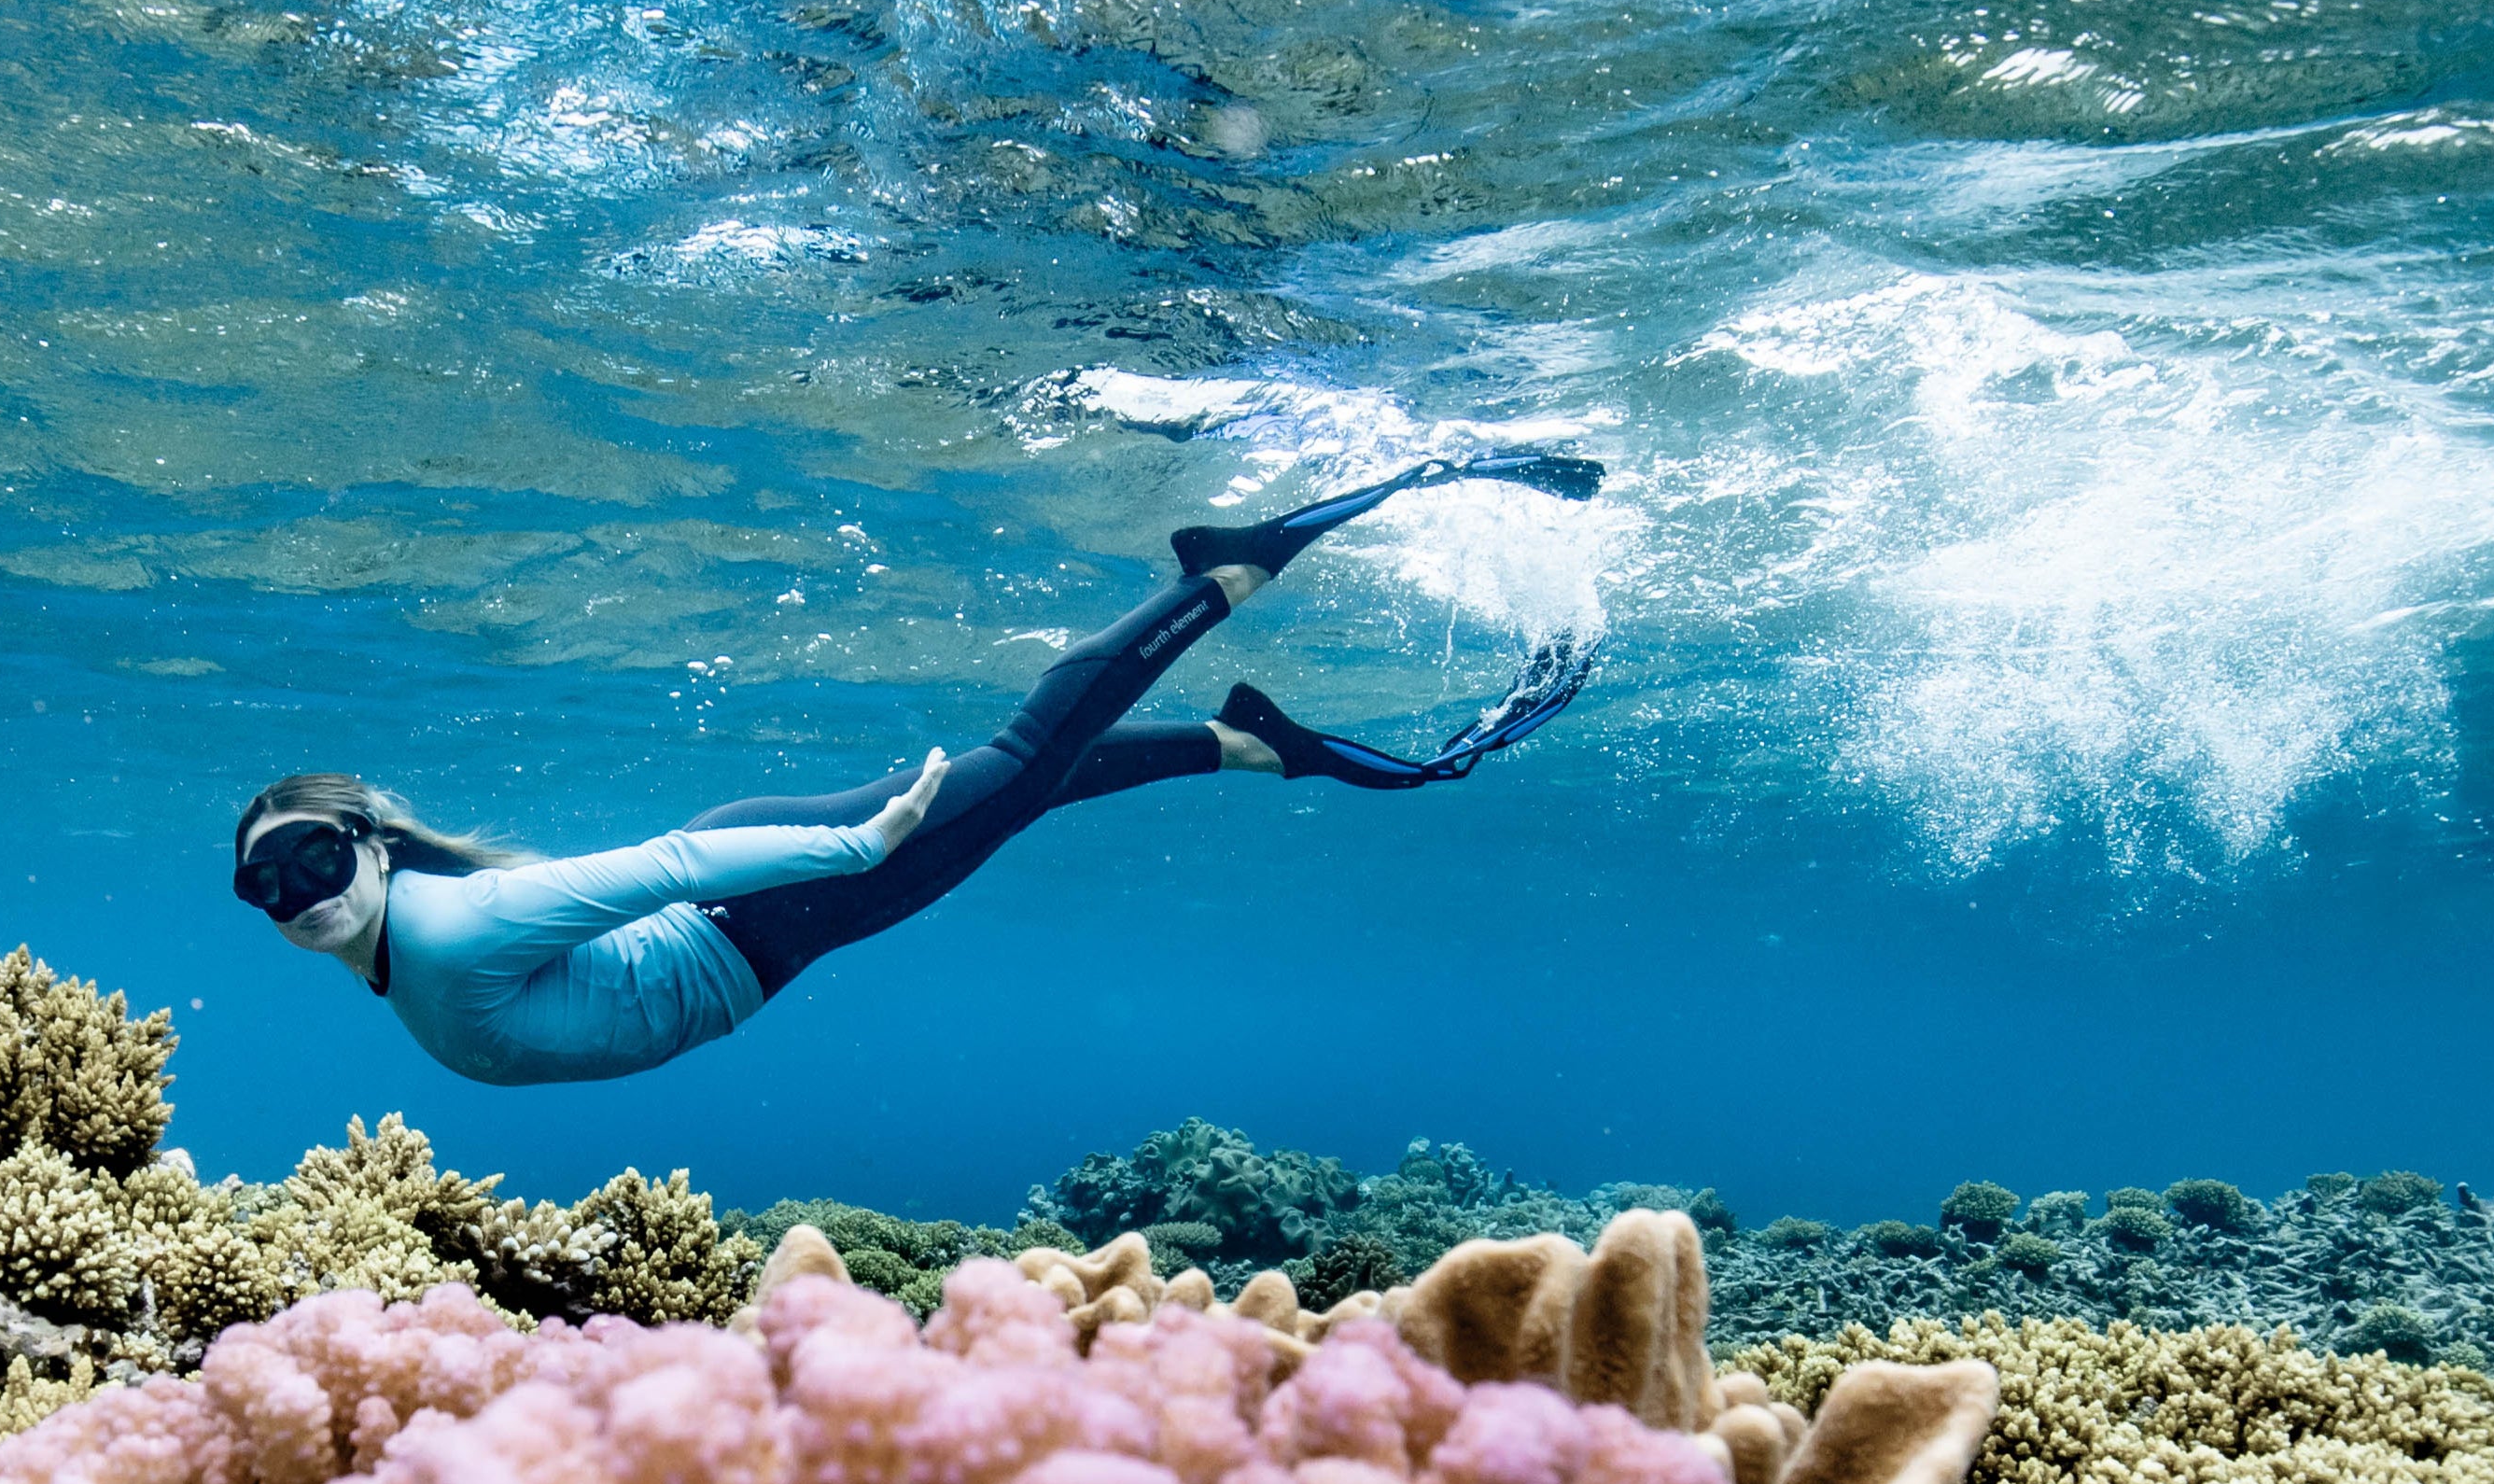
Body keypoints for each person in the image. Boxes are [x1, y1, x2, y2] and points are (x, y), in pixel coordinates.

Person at [226, 454, 1606, 1086]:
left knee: (1016, 759)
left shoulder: (450, 925)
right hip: (760, 923)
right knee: (1024, 785)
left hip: (764, 909)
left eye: (314, 856)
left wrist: (858, 847)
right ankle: (1248, 741)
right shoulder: (416, 943)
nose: (298, 893)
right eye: (266, 885)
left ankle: (1228, 571)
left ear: (376, 844)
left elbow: (667, 868)